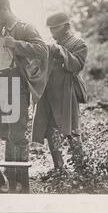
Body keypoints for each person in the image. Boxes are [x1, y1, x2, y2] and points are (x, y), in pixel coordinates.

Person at [0, 0, 49, 193]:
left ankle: (22, 185)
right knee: (6, 133)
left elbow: (42, 50)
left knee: (17, 134)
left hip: (18, 83)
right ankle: (12, 182)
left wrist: (16, 44)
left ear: (4, 9)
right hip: (3, 83)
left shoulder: (25, 28)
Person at [32, 12, 87, 171]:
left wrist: (61, 51)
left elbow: (77, 65)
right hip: (47, 92)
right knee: (49, 129)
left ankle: (80, 167)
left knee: (71, 129)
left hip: (66, 91)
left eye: (56, 28)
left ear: (67, 26)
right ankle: (59, 167)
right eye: (50, 29)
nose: (52, 32)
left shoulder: (78, 43)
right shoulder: (48, 43)